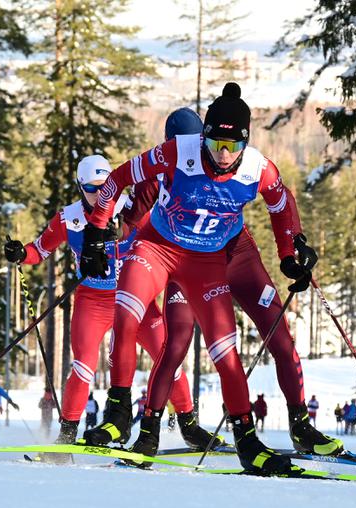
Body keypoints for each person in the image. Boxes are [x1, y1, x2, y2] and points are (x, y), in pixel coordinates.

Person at [81, 83, 321, 475]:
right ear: (201, 138)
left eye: (232, 146)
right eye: (214, 145)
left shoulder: (258, 168)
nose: (223, 155)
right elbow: (118, 179)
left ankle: (256, 439)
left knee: (230, 349)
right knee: (134, 319)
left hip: (212, 258)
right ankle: (122, 414)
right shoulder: (178, 151)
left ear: (245, 143)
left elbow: (282, 203)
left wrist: (291, 251)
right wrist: (96, 232)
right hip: (160, 247)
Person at [121, 107, 342, 457]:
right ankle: (150, 431)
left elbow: (281, 198)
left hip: (237, 254)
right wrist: (109, 239)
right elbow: (129, 222)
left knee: (279, 336)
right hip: (186, 259)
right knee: (176, 344)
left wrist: (292, 249)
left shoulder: (236, 162)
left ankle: (301, 426)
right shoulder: (161, 171)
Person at [4, 154, 217, 450]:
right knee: (83, 365)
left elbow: (167, 241)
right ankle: (67, 434)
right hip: (93, 301)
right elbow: (39, 250)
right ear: (80, 188)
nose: (101, 194)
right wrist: (20, 253)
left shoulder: (132, 211)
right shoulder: (69, 218)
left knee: (168, 356)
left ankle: (189, 427)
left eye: (106, 187)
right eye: (92, 188)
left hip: (136, 299)